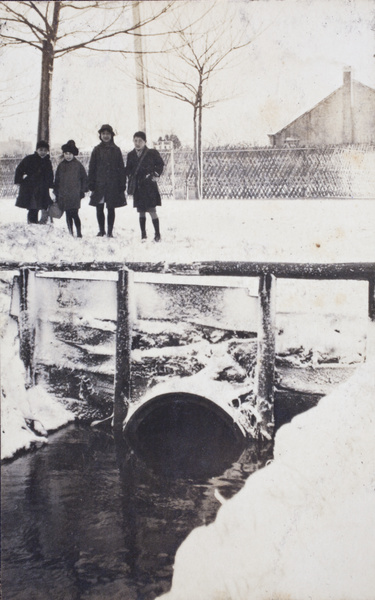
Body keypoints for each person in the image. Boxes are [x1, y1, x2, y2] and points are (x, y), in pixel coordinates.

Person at [88, 124, 126, 237]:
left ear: (112, 135)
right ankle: (101, 230)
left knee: (111, 208)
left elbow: (121, 168)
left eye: (108, 134)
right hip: (99, 184)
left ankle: (109, 231)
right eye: (103, 134)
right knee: (99, 207)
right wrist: (91, 183)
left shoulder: (116, 150)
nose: (105, 136)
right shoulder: (96, 150)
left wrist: (122, 184)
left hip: (112, 184)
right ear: (100, 135)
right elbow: (92, 168)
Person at [126, 131, 164, 242]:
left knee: (152, 210)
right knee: (141, 211)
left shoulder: (152, 153)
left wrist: (155, 174)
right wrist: (128, 174)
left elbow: (160, 164)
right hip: (138, 187)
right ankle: (143, 234)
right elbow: (128, 169)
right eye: (135, 140)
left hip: (149, 186)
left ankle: (157, 234)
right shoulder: (130, 155)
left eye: (140, 141)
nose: (137, 143)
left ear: (145, 142)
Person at [54, 140, 88, 238]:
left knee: (75, 214)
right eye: (66, 153)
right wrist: (56, 192)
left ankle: (79, 232)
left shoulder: (78, 165)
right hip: (64, 195)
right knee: (68, 214)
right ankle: (70, 232)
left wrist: (82, 191)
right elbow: (57, 180)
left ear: (73, 154)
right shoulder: (61, 166)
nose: (68, 156)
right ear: (63, 154)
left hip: (75, 195)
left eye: (70, 154)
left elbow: (84, 178)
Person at [14, 140, 54, 224]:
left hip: (43, 188)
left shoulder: (47, 161)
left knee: (43, 206)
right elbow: (19, 169)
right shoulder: (30, 159)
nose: (43, 152)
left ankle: (41, 223)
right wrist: (19, 180)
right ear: (36, 150)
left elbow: (50, 174)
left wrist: (50, 184)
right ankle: (32, 224)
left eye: (45, 150)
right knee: (33, 207)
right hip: (31, 188)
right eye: (41, 150)